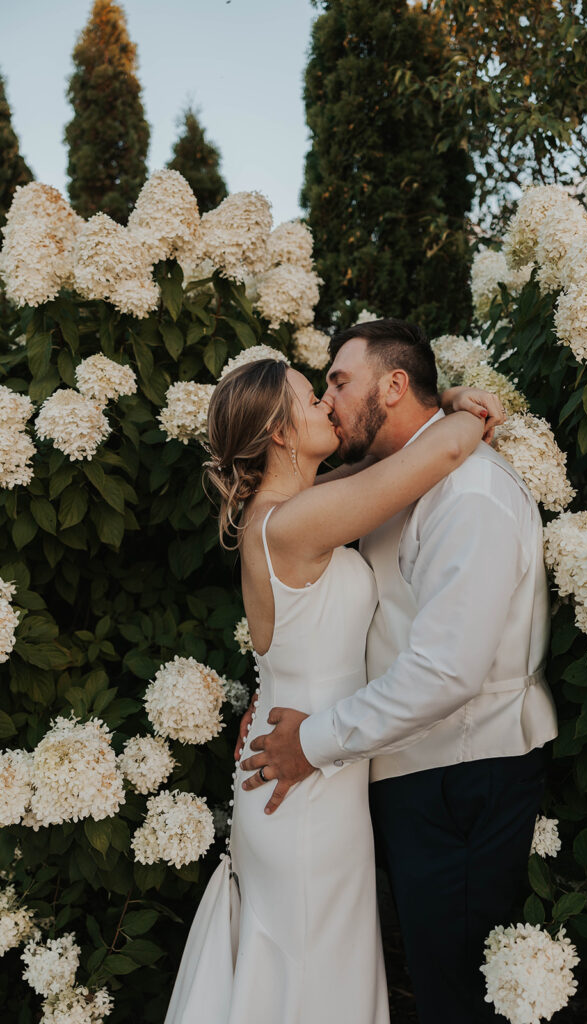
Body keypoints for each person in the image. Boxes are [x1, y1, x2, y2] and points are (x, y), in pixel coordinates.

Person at [163, 341, 504, 1024]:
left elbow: (389, 458)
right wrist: (470, 411)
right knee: (317, 973)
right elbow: (433, 458)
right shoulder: (292, 523)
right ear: (282, 434)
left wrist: (446, 406)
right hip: (303, 786)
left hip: (306, 765)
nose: (326, 400)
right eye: (309, 395)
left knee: (317, 966)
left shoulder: (295, 506)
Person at [239, 319, 559, 1024]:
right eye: (318, 389)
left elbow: (447, 673)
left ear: (392, 385)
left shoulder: (466, 494)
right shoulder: (372, 485)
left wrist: (310, 737)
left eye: (338, 381)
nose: (328, 399)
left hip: (460, 772)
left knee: (455, 995)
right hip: (384, 769)